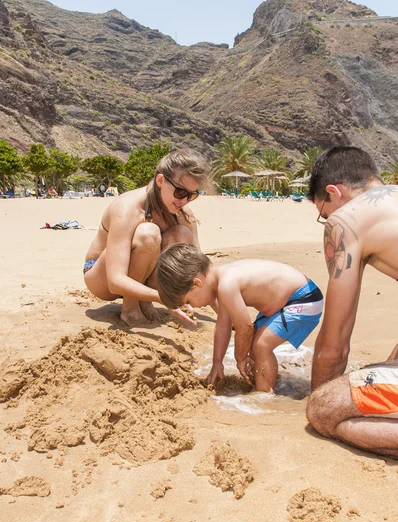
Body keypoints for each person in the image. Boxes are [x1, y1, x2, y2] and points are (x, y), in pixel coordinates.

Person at [305, 145, 398, 457]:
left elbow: (335, 342)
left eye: (323, 214)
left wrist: (317, 395)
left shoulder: (346, 221)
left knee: (323, 407)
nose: (327, 221)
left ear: (335, 192)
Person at [156, 244, 323, 392]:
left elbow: (245, 327)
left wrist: (240, 358)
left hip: (303, 299)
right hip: (285, 303)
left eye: (188, 301)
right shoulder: (221, 280)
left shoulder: (227, 285)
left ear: (197, 283)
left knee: (261, 345)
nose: (193, 307)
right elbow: (222, 327)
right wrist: (217, 362)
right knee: (253, 345)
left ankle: (264, 394)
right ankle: (264, 379)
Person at [83, 149, 211, 327]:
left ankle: (144, 300)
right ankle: (130, 309)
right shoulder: (127, 209)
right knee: (148, 234)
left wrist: (228, 311)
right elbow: (115, 281)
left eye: (191, 195)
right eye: (180, 192)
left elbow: (201, 268)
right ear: (160, 180)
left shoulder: (183, 213)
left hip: (142, 273)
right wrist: (164, 299)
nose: (184, 201)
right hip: (101, 276)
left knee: (182, 234)